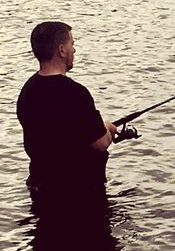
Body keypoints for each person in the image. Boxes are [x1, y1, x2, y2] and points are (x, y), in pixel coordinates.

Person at [16, 21, 117, 199]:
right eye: (72, 44)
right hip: (79, 192)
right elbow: (100, 143)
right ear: (61, 50)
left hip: (41, 188)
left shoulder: (28, 91)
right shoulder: (75, 93)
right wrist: (107, 128)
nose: (74, 50)